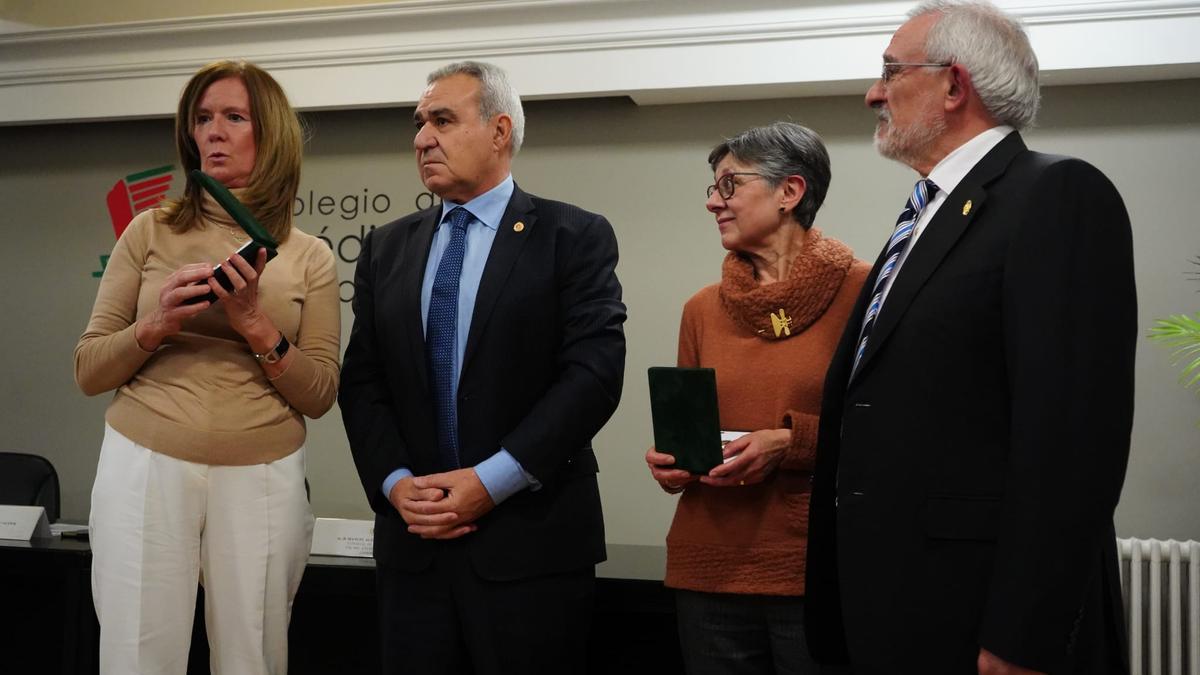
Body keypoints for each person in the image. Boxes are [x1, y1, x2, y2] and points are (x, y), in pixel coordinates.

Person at [802, 2, 1137, 673]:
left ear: (954, 86)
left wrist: (1024, 636)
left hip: (981, 623)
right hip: (894, 611)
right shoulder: (923, 216)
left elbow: (1072, 442)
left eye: (890, 72)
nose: (873, 92)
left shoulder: (1058, 194)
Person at [338, 60, 626, 674]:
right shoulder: (386, 247)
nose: (422, 139)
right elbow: (363, 381)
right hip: (414, 551)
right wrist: (395, 484)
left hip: (532, 549)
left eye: (443, 120)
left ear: (500, 131)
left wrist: (491, 480)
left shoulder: (571, 236)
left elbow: (593, 376)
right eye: (419, 124)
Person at [74, 60, 340, 675]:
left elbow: (321, 392)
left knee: (255, 658)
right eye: (201, 118)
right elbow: (89, 369)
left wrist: (255, 325)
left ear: (269, 135)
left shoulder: (310, 256)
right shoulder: (148, 230)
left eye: (233, 117)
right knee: (135, 657)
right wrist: (156, 324)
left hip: (265, 474)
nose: (212, 131)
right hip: (145, 464)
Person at [645, 122, 869, 674]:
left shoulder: (865, 294)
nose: (711, 203)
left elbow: (889, 428)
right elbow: (687, 427)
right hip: (707, 569)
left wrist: (793, 443)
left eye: (727, 186)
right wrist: (677, 461)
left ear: (789, 193)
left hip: (813, 567)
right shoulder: (701, 307)